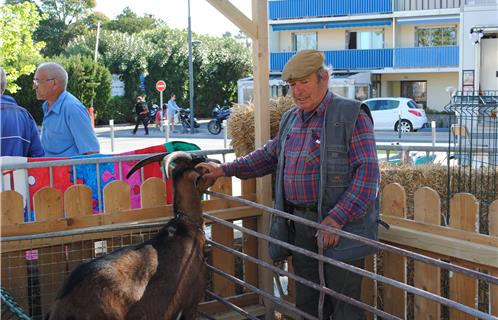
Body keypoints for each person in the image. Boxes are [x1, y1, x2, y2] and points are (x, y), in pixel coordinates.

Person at [197, 50, 380, 319]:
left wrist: (336, 219)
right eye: (292, 85)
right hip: (301, 227)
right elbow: (268, 156)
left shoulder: (352, 115)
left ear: (324, 78)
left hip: (339, 230)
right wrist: (224, 169)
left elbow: (368, 174)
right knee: (307, 299)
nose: (297, 91)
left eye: (304, 82)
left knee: (344, 305)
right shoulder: (291, 119)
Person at [33, 62, 99, 157]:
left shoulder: (72, 108)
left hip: (70, 171)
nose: (34, 86)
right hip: (53, 170)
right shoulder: (47, 106)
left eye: (38, 81)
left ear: (54, 83)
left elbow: (92, 153)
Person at [0, 67, 44, 157]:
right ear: (4, 87)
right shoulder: (24, 116)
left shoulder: (24, 115)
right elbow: (37, 156)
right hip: (15, 171)